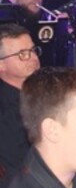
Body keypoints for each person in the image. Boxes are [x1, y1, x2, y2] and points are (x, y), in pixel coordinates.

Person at [0, 24, 40, 176]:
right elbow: (19, 165)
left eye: (33, 50)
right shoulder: (5, 111)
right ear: (1, 65)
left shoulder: (48, 90)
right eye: (23, 54)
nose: (34, 58)